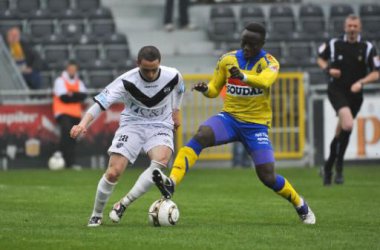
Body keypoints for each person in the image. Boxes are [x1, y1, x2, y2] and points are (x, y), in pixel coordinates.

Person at [152, 22, 316, 224]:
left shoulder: (269, 62)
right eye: (244, 42)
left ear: (262, 44)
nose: (247, 47)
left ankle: (300, 204)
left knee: (268, 177)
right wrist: (206, 89)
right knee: (201, 134)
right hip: (229, 119)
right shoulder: (228, 59)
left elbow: (265, 81)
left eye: (252, 44)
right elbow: (214, 89)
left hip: (256, 126)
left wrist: (244, 76)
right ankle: (172, 182)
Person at [70, 46, 185, 227]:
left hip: (160, 125)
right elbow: (101, 103)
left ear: (159, 64)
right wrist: (82, 124)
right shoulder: (126, 81)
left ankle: (123, 203)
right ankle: (96, 214)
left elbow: (180, 89)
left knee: (160, 162)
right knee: (114, 172)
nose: (151, 74)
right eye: (146, 70)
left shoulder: (172, 75)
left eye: (155, 69)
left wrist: (176, 111)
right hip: (132, 125)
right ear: (138, 64)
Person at [317, 14, 380, 186]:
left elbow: (376, 72)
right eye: (349, 26)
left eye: (355, 26)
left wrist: (361, 82)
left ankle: (329, 167)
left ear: (359, 28)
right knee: (348, 124)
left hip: (355, 95)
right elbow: (320, 59)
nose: (352, 29)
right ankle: (338, 167)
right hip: (336, 90)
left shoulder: (367, 47)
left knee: (341, 131)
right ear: (345, 27)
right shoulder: (334, 43)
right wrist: (329, 69)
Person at [53, 61, 88, 169]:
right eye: (70, 69)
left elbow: (83, 96)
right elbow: (64, 98)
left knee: (72, 137)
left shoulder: (78, 81)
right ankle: (60, 156)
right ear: (67, 69)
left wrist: (71, 94)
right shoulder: (60, 81)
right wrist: (75, 96)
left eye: (74, 69)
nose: (72, 71)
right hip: (63, 113)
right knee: (66, 134)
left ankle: (69, 162)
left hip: (75, 114)